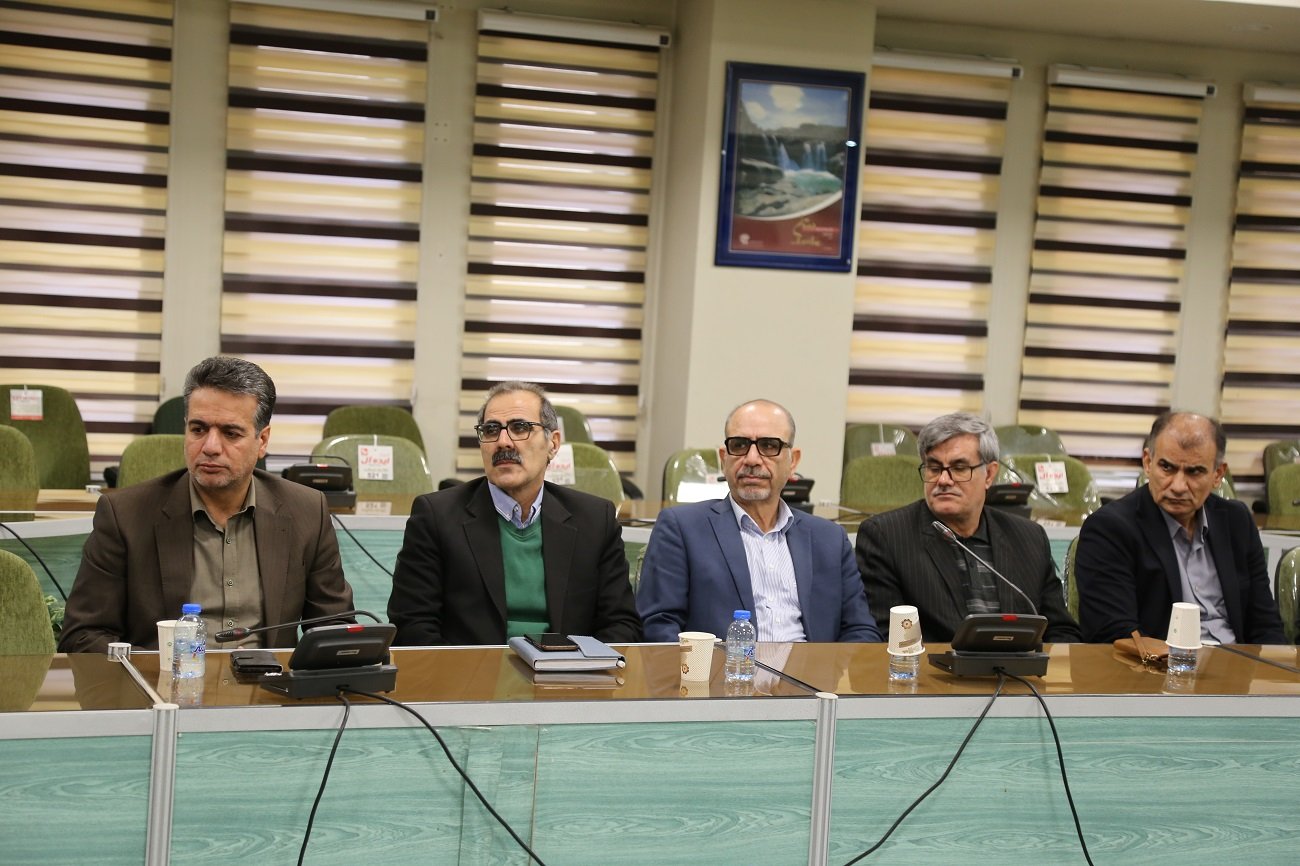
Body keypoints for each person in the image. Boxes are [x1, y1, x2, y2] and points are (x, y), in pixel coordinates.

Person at [58, 356, 354, 653]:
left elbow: (334, 627)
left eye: (230, 433)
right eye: (198, 429)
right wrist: (156, 672)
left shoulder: (306, 511)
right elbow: (84, 636)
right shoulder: (125, 515)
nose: (210, 447)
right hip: (163, 680)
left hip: (270, 681)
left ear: (262, 441)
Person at [387, 381, 641, 645]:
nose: (503, 442)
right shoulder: (436, 517)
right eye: (491, 430)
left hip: (568, 668)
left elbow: (621, 624)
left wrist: (586, 666)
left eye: (520, 428)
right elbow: (412, 626)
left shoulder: (595, 520)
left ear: (553, 444)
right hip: (472, 670)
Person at [637, 399, 882, 643]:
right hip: (722, 667)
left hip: (813, 668)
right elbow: (659, 626)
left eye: (768, 445)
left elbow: (861, 630)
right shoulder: (682, 529)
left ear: (793, 461)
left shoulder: (829, 539)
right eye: (739, 445)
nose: (752, 459)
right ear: (724, 458)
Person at [855, 412, 1081, 644]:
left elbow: (1062, 631)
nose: (943, 480)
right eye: (934, 468)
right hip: (933, 666)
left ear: (989, 474)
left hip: (1021, 667)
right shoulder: (886, 537)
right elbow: (891, 638)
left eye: (959, 468)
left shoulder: (1029, 538)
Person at [1075, 411, 1285, 644]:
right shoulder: (1110, 529)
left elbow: (1266, 624)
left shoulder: (1237, 521)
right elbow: (1116, 635)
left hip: (1238, 662)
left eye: (1194, 472)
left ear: (1218, 474)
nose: (1178, 486)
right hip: (1159, 664)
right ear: (1148, 462)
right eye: (1167, 467)